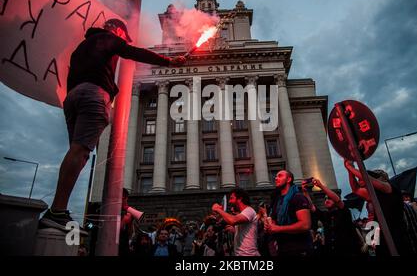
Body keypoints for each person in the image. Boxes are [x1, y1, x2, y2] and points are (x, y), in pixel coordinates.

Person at [39, 19, 186, 230]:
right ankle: (57, 211)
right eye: (123, 37)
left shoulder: (82, 46)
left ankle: (57, 209)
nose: (122, 41)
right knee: (80, 152)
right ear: (117, 30)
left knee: (77, 152)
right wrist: (170, 61)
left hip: (73, 97)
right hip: (93, 94)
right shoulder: (109, 38)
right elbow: (135, 53)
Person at [345, 161, 407, 256]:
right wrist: (350, 171)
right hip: (381, 234)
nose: (359, 180)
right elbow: (355, 189)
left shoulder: (389, 188)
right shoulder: (374, 194)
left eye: (361, 178)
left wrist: (350, 168)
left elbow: (366, 179)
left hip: (394, 234)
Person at [302, 177, 362, 256]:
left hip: (348, 251)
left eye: (329, 198)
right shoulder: (325, 215)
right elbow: (311, 207)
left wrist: (321, 186)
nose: (326, 200)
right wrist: (305, 192)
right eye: (325, 198)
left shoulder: (344, 211)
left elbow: (337, 200)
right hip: (332, 253)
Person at [264, 170, 312, 256]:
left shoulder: (298, 197)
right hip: (282, 249)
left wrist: (278, 228)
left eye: (280, 176)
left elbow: (305, 225)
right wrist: (269, 226)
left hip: (299, 249)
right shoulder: (277, 200)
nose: (276, 178)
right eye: (276, 176)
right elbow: (275, 221)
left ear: (289, 179)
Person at [212, 188, 260, 256]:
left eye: (231, 198)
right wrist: (235, 231)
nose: (229, 201)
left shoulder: (249, 211)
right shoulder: (242, 213)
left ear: (240, 198)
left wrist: (218, 209)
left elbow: (233, 220)